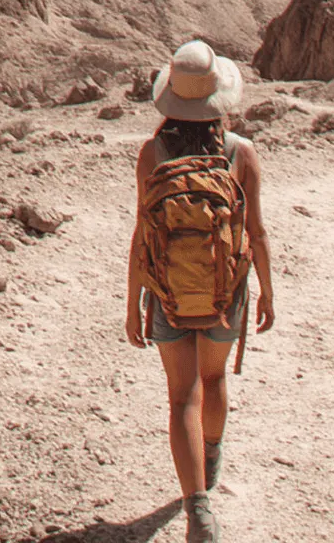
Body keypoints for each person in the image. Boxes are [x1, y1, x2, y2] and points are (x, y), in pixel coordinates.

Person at [125, 40, 275, 543]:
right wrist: (268, 293)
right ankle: (210, 455)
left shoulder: (151, 153)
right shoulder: (242, 153)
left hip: (167, 295)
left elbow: (143, 234)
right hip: (224, 293)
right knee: (212, 384)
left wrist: (132, 305)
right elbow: (255, 232)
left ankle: (198, 509)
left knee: (179, 398)